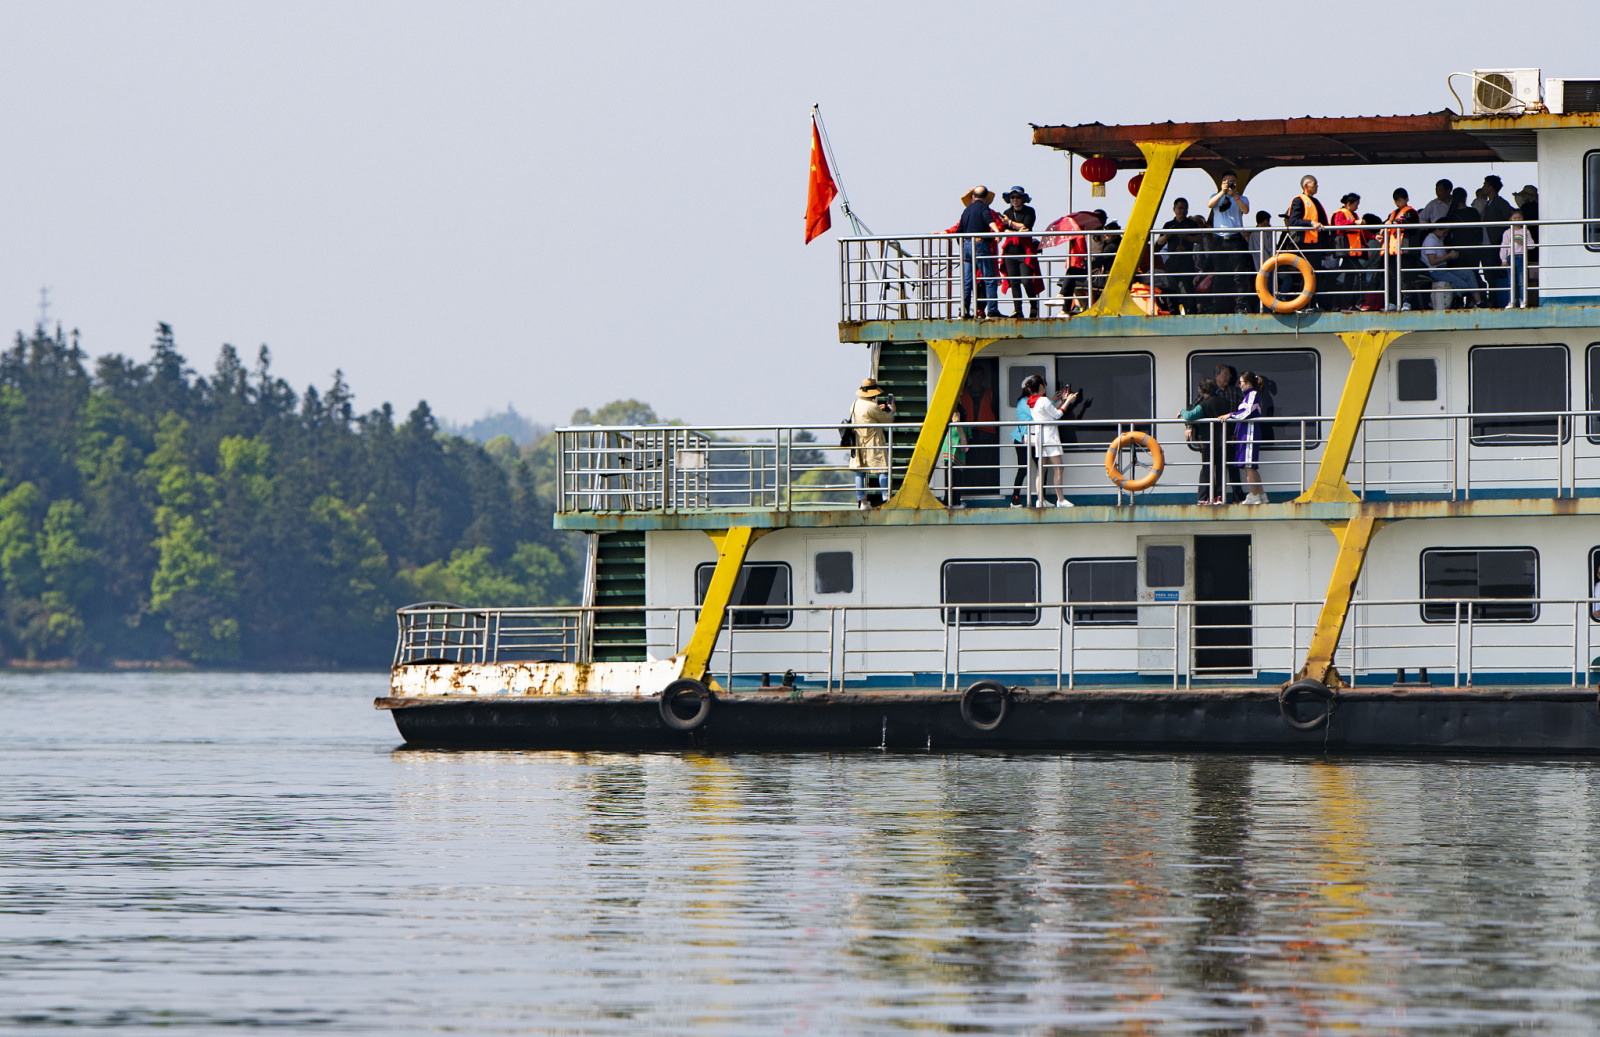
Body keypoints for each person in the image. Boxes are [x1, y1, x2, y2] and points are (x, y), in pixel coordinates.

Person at [1205, 174, 1253, 312]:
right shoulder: (1216, 196)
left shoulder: (1242, 198)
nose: (1229, 184)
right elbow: (1210, 204)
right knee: (1219, 275)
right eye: (1226, 181)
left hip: (1235, 239)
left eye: (1232, 182)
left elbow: (1245, 210)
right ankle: (1217, 305)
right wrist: (1222, 192)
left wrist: (1235, 196)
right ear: (1221, 183)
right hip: (1219, 239)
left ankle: (1241, 305)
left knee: (1239, 275)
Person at [1179, 377, 1229, 504]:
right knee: (1220, 469)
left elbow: (1190, 416)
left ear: (1202, 390)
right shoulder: (1224, 402)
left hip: (1208, 441)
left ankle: (1203, 498)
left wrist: (1182, 412)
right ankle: (1219, 496)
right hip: (1223, 440)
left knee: (1207, 469)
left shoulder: (1204, 404)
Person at [1220, 371, 1267, 505]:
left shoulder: (1252, 395)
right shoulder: (1247, 396)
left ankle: (1254, 495)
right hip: (1245, 433)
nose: (1239, 386)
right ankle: (1261, 495)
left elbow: (1246, 413)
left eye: (1241, 383)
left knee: (1248, 465)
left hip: (1249, 433)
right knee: (1250, 466)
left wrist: (1230, 415)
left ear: (1248, 383)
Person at [955, 186, 1003, 318]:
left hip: (967, 246)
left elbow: (959, 232)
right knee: (989, 279)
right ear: (986, 198)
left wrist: (963, 247)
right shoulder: (983, 208)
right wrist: (997, 232)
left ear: (972, 197)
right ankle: (992, 310)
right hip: (980, 245)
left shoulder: (966, 211)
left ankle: (963, 311)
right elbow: (990, 221)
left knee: (967, 281)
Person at [1027, 377, 1074, 507]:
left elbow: (1049, 412)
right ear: (1041, 386)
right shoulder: (1043, 400)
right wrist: (1068, 401)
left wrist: (1061, 401)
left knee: (1041, 469)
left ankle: (1040, 500)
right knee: (1059, 467)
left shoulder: (1033, 400)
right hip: (1050, 437)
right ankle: (1060, 499)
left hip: (1039, 437)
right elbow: (1057, 415)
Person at [849, 377, 894, 509]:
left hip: (858, 441)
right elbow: (887, 420)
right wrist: (892, 410)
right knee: (882, 469)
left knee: (860, 470)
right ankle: (886, 498)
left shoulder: (855, 404)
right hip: (873, 440)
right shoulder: (873, 406)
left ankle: (862, 501)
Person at [999, 187, 1042, 319]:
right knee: (1014, 282)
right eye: (1012, 197)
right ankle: (1017, 310)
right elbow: (1004, 230)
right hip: (1010, 252)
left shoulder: (1029, 211)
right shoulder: (1007, 212)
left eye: (1017, 197)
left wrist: (1010, 223)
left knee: (1026, 280)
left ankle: (1033, 306)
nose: (1015, 200)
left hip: (1025, 251)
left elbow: (1027, 227)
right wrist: (1016, 229)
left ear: (1023, 198)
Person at [1284, 175, 1328, 303]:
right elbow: (1293, 220)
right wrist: (1311, 223)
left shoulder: (1316, 201)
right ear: (1306, 186)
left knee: (1315, 274)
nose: (1317, 186)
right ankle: (1305, 303)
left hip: (1316, 244)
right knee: (1307, 274)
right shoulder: (1299, 200)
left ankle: (1313, 302)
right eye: (1314, 184)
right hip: (1305, 244)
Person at [957, 365, 999, 499]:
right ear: (971, 377)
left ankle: (985, 489)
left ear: (983, 377)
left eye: (980, 375)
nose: (978, 378)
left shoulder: (990, 394)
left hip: (985, 435)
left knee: (984, 464)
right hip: (968, 435)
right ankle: (968, 490)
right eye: (975, 375)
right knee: (968, 464)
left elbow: (995, 412)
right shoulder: (963, 393)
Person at [1480, 175, 1515, 307]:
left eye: (1485, 184)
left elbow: (1510, 218)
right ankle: (1492, 299)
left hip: (1495, 244)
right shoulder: (1488, 203)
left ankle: (1495, 301)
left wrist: (1502, 239)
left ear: (1491, 187)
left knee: (1494, 273)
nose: (1483, 187)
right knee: (1488, 274)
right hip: (1486, 244)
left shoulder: (1500, 203)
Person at [1382, 188, 1420, 311]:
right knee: (1392, 277)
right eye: (1396, 201)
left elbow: (1405, 220)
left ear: (1406, 199)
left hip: (1405, 250)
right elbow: (1385, 223)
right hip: (1392, 251)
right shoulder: (1393, 213)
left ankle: (1406, 302)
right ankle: (1393, 301)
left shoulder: (1411, 212)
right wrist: (1381, 231)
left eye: (1400, 200)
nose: (1398, 203)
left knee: (1406, 277)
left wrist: (1391, 223)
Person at [1156, 198, 1199, 304]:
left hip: (1186, 260)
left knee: (1188, 287)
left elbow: (1199, 239)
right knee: (1170, 287)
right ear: (1174, 209)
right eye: (1180, 208)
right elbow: (1159, 244)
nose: (1182, 211)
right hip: (1172, 260)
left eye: (1185, 208)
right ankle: (1172, 310)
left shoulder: (1191, 224)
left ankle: (1191, 311)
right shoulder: (1169, 225)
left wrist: (1186, 237)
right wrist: (1166, 236)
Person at [1421, 225, 1476, 308]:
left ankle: (1478, 302)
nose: (1445, 234)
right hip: (1435, 271)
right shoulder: (1430, 241)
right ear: (1437, 229)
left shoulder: (1439, 239)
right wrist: (1449, 256)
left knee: (1468, 273)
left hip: (1444, 268)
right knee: (1463, 286)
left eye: (1447, 232)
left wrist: (1449, 254)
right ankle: (1437, 298)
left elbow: (1442, 255)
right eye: (1444, 232)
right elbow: (1432, 262)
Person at [1212, 363, 1245, 503]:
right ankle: (1218, 496)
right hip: (1215, 435)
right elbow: (1195, 407)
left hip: (1232, 434)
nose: (1228, 377)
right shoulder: (1211, 392)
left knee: (1233, 467)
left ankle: (1238, 496)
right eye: (1225, 374)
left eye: (1229, 375)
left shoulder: (1234, 391)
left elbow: (1244, 409)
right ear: (1216, 376)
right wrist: (1189, 426)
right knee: (1218, 467)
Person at [1330, 192, 1369, 307]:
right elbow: (1338, 224)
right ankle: (1360, 301)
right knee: (1360, 272)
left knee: (1349, 277)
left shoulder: (1354, 215)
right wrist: (1354, 222)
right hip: (1346, 251)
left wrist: (1373, 236)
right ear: (1348, 204)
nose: (1357, 207)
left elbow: (1362, 232)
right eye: (1356, 205)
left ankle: (1346, 303)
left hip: (1353, 251)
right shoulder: (1340, 214)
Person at [935, 404, 968, 506]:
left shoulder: (954, 405)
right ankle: (952, 503)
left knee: (952, 477)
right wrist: (963, 440)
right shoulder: (955, 407)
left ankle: (952, 502)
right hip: (954, 445)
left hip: (951, 445)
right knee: (954, 478)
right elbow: (956, 421)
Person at [1009, 383, 1034, 506]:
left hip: (1034, 439)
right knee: (1023, 469)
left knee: (1042, 467)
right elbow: (1037, 412)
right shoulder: (1023, 402)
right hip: (1021, 439)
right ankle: (1015, 498)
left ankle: (1042, 498)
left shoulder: (1037, 401)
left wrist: (1058, 401)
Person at [1501, 210, 1531, 308]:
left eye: (1519, 218)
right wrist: (1504, 259)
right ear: (1510, 219)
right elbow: (1504, 246)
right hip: (1511, 257)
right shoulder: (1507, 232)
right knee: (1511, 281)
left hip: (1521, 256)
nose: (1517, 220)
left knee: (1522, 280)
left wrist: (1523, 243)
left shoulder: (1525, 231)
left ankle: (1523, 301)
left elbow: (1532, 245)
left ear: (1522, 219)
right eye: (1514, 218)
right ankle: (1511, 301)